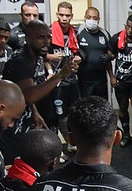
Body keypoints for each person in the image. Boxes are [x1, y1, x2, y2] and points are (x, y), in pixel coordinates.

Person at [2, 20, 79, 163]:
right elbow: (29, 95)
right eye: (40, 37)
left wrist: (35, 112)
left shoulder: (36, 57)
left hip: (23, 118)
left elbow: (27, 92)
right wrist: (61, 75)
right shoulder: (22, 61)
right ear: (28, 39)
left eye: (48, 37)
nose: (46, 41)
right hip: (9, 125)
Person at [109, 14, 132, 148]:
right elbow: (108, 58)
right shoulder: (116, 38)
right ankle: (126, 135)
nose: (130, 30)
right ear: (125, 26)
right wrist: (112, 76)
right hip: (121, 79)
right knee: (123, 108)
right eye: (128, 27)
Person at [48, 2, 82, 141]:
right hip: (57, 81)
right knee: (59, 115)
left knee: (74, 112)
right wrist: (51, 60)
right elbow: (41, 55)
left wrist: (78, 58)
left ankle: (72, 141)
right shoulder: (49, 32)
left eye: (67, 15)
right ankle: (61, 143)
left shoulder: (74, 32)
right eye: (61, 15)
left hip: (72, 79)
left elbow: (76, 53)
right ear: (57, 15)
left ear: (71, 16)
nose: (64, 18)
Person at [76, 6, 112, 99]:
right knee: (85, 106)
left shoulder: (104, 34)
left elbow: (111, 54)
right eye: (89, 17)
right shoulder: (78, 33)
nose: (91, 20)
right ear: (84, 18)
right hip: (83, 79)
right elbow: (71, 50)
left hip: (100, 79)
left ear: (99, 19)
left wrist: (112, 76)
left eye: (94, 18)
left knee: (101, 105)